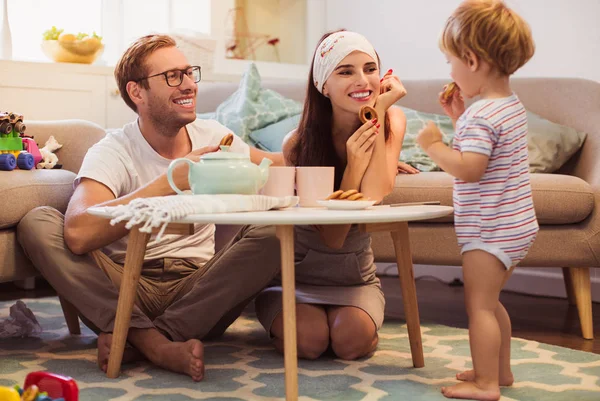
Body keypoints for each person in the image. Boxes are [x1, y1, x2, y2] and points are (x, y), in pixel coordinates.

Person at [17, 34, 285, 382]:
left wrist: (336, 130)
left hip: (199, 290)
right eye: (173, 76)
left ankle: (135, 339)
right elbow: (79, 233)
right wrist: (171, 181)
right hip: (124, 286)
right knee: (38, 223)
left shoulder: (215, 137)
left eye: (190, 73)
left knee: (276, 229)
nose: (189, 84)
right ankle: (157, 345)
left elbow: (279, 166)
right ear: (136, 92)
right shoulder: (113, 149)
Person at [254, 30, 408, 361]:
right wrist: (353, 167)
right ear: (324, 85)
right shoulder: (296, 144)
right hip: (295, 278)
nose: (362, 80)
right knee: (310, 343)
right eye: (345, 71)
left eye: (370, 68)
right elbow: (334, 237)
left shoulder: (392, 117)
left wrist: (378, 110)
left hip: (355, 280)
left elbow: (377, 192)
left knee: (349, 343)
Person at [416, 1, 538, 399]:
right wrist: (458, 119)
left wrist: (433, 144)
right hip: (515, 225)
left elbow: (470, 168)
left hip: (489, 230)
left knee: (479, 308)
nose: (449, 70)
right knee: (492, 302)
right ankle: (498, 371)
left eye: (450, 61)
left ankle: (487, 385)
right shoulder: (508, 107)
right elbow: (489, 152)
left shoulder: (480, 117)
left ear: (470, 59)